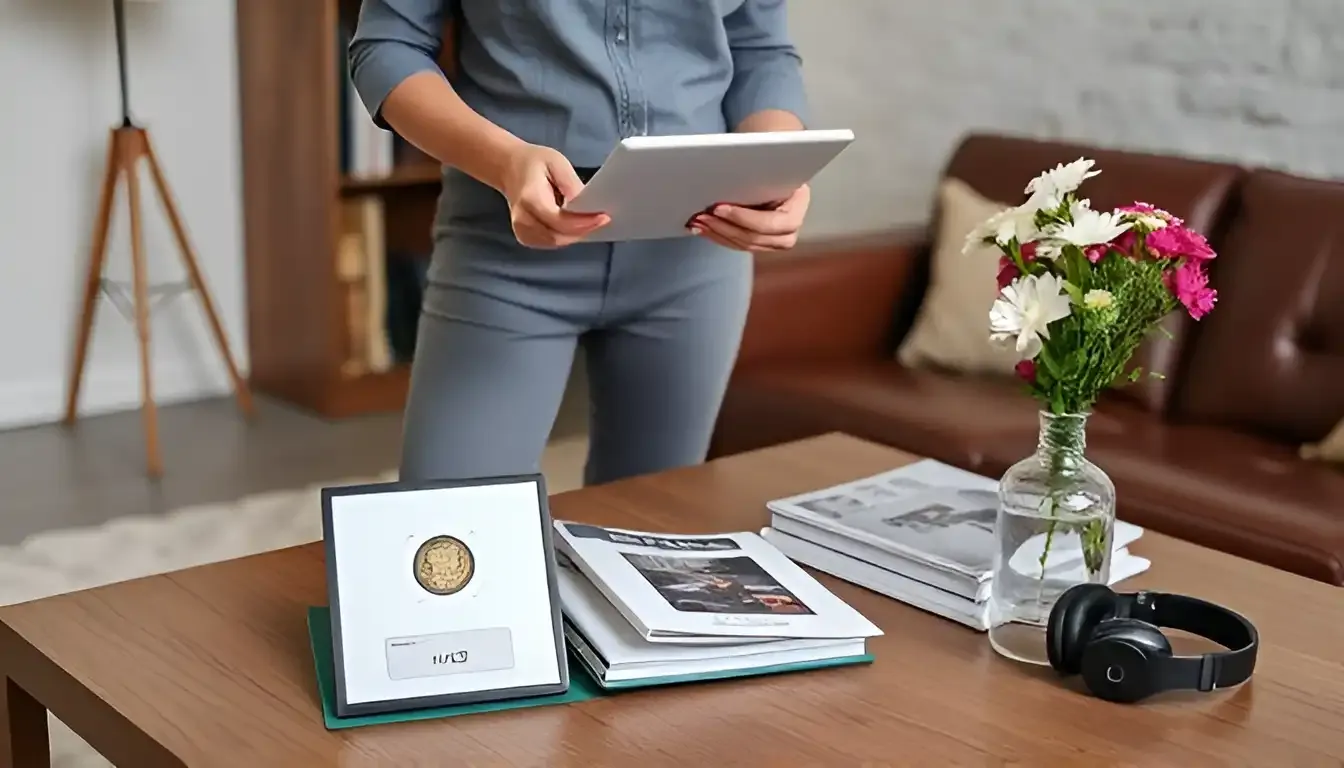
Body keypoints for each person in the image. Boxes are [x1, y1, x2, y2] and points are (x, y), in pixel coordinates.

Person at [350, 0, 812, 485]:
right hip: (506, 248)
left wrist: (774, 167)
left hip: (694, 249)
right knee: (452, 529)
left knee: (649, 528)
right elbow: (388, 44)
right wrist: (505, 162)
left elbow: (760, 47)